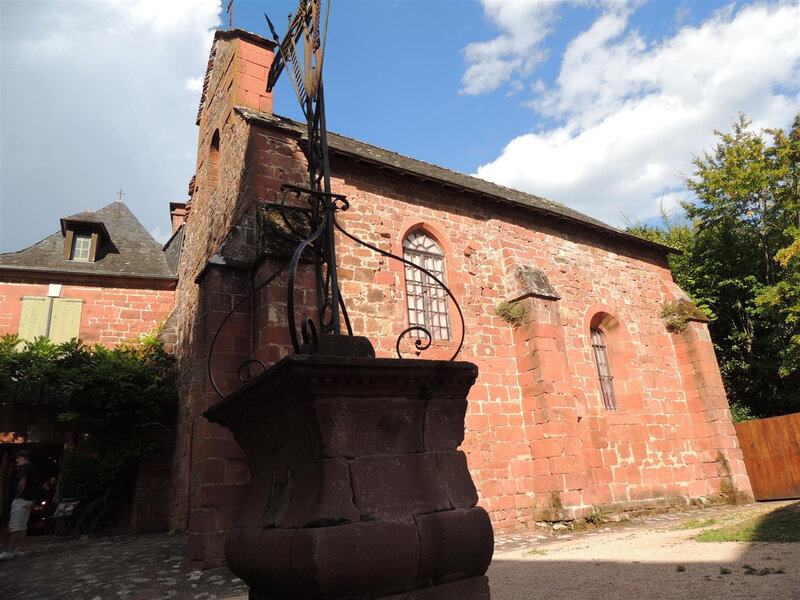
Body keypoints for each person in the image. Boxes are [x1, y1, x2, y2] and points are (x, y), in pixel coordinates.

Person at [0, 450, 38, 560]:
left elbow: (22, 482)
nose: (17, 460)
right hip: (29, 499)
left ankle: (10, 550)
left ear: (23, 458)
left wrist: (17, 495)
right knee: (22, 525)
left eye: (18, 458)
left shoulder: (25, 467)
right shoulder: (32, 468)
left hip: (22, 499)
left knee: (15, 525)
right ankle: (19, 548)